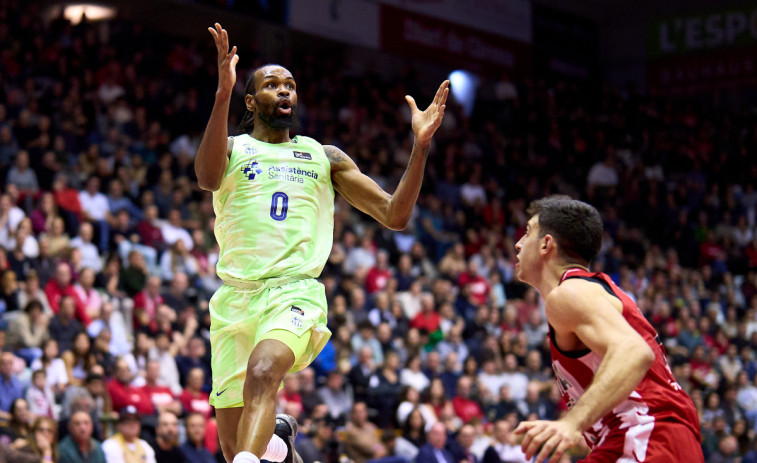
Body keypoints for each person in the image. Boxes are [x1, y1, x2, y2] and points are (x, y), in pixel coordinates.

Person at [195, 22, 448, 463]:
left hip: (294, 291)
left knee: (263, 371)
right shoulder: (233, 147)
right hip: (235, 298)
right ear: (252, 102)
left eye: (290, 85)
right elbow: (206, 177)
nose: (285, 91)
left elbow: (395, 214)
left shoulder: (323, 156)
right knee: (234, 445)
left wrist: (420, 147)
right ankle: (281, 446)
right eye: (272, 85)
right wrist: (223, 93)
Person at [512, 196, 703, 463]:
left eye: (527, 232)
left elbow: (635, 352)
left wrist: (572, 424)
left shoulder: (570, 293)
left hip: (647, 435)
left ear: (546, 244)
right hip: (660, 437)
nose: (518, 243)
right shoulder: (591, 290)